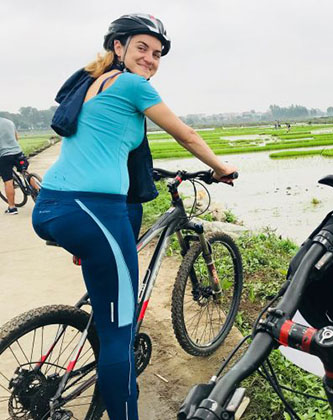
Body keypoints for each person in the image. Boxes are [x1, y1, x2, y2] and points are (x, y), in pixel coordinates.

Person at [32, 14, 237, 420]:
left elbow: (108, 146)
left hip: (53, 204)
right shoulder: (130, 84)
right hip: (91, 208)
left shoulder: (91, 83)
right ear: (118, 47)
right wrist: (220, 168)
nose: (150, 58)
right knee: (118, 334)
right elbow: (185, 134)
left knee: (108, 294)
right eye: (142, 47)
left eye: (157, 53)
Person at [0, 116, 32, 214]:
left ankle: (12, 207)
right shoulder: (9, 122)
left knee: (7, 181)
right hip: (18, 153)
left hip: (4, 156)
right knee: (26, 173)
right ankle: (38, 192)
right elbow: (16, 138)